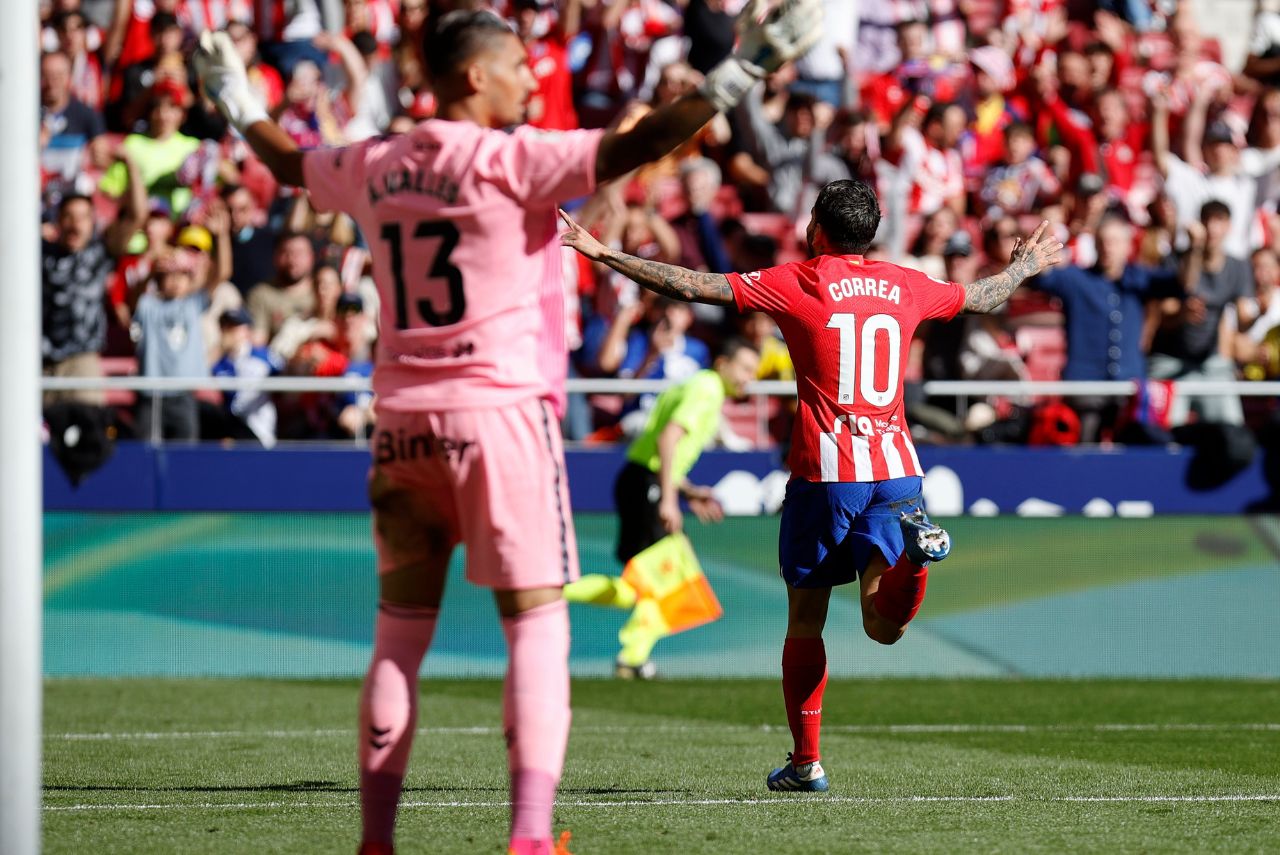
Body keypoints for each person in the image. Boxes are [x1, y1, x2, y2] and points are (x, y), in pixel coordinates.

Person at [193, 3, 823, 852]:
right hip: (502, 418)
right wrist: (742, 70)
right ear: (472, 75)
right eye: (519, 63)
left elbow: (288, 162)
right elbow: (638, 145)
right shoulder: (514, 159)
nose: (534, 76)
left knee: (397, 637)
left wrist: (238, 102)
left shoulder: (374, 162)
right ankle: (529, 837)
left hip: (404, 426)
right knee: (535, 628)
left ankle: (375, 841)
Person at [559, 178, 1063, 793]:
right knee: (883, 625)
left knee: (806, 623)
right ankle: (919, 560)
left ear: (816, 228)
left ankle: (805, 763)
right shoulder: (906, 283)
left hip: (826, 476)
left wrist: (603, 252)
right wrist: (1025, 266)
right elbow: (983, 297)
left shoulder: (801, 280)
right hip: (897, 471)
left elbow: (693, 284)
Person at [563, 339, 761, 678]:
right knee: (673, 583)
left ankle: (557, 593)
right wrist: (669, 498)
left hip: (642, 482)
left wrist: (686, 491)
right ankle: (631, 655)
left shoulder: (697, 385)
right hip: (647, 486)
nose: (749, 378)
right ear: (722, 363)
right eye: (744, 368)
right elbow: (668, 439)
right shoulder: (707, 389)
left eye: (753, 372)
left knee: (638, 588)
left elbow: (663, 445)